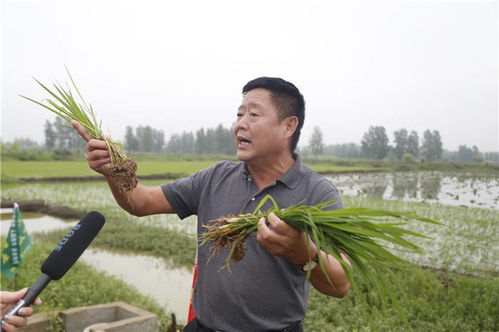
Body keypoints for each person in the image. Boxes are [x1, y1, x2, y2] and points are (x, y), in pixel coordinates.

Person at [72, 77, 350, 332]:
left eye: (253, 114)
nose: (240, 124)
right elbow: (141, 202)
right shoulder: (214, 178)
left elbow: (341, 284)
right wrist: (113, 170)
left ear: (289, 125)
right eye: (239, 114)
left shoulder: (317, 194)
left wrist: (305, 253)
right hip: (203, 326)